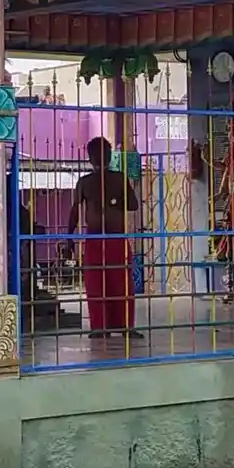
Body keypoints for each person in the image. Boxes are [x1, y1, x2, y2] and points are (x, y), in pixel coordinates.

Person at [70, 137, 141, 339]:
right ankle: (100, 327)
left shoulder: (119, 179)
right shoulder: (84, 182)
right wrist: (68, 238)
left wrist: (115, 200)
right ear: (91, 157)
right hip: (94, 239)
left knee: (121, 284)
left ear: (110, 157)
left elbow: (133, 204)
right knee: (96, 285)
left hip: (116, 238)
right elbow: (75, 211)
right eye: (98, 154)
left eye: (105, 153)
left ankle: (126, 326)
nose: (102, 157)